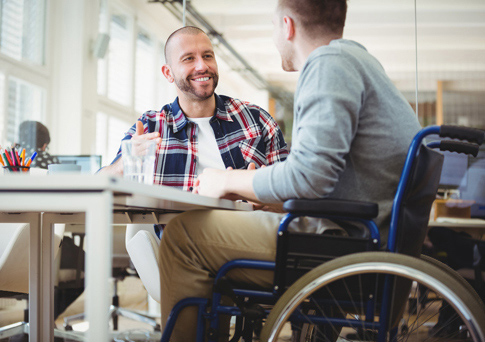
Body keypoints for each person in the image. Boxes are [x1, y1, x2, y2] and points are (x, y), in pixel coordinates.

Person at [158, 0, 422, 341]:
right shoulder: (361, 62)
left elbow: (309, 175)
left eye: (272, 28)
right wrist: (266, 193)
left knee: (182, 235)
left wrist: (225, 179)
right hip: (367, 236)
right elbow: (328, 175)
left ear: (287, 26)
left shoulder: (328, 64)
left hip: (346, 247)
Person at [100, 26, 288, 194]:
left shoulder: (256, 119)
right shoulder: (151, 126)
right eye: (189, 58)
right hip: (173, 232)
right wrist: (124, 163)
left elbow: (292, 190)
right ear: (168, 73)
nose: (202, 66)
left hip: (244, 230)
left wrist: (263, 198)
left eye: (207, 56)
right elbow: (96, 186)